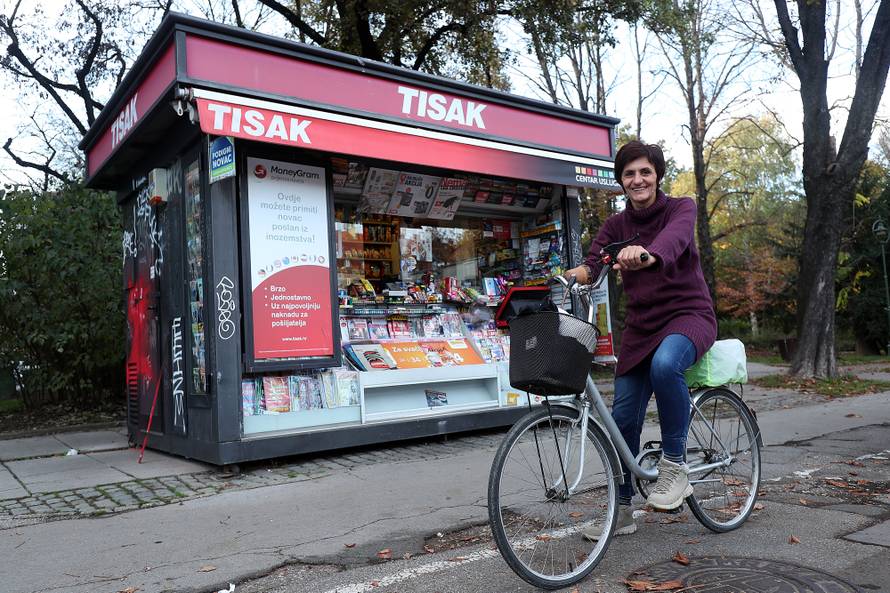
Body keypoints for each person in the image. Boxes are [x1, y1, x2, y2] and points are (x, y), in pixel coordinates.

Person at [563, 140, 717, 539]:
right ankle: (622, 508)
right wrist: (565, 278)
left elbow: (674, 241)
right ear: (621, 182)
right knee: (622, 419)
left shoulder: (680, 207)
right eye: (629, 174)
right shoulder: (615, 226)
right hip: (642, 327)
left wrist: (646, 254)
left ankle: (674, 466)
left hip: (689, 316)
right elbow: (593, 263)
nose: (637, 180)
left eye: (644, 171)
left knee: (667, 365)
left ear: (657, 175)